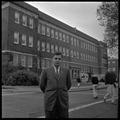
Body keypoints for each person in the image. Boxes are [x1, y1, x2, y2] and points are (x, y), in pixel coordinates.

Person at [39, 52, 71, 118]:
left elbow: (68, 85)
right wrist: (48, 92)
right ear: (52, 59)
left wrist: (62, 91)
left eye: (59, 59)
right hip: (50, 100)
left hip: (62, 100)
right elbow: (42, 85)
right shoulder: (46, 71)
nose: (57, 60)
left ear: (61, 60)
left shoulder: (66, 71)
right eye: (55, 58)